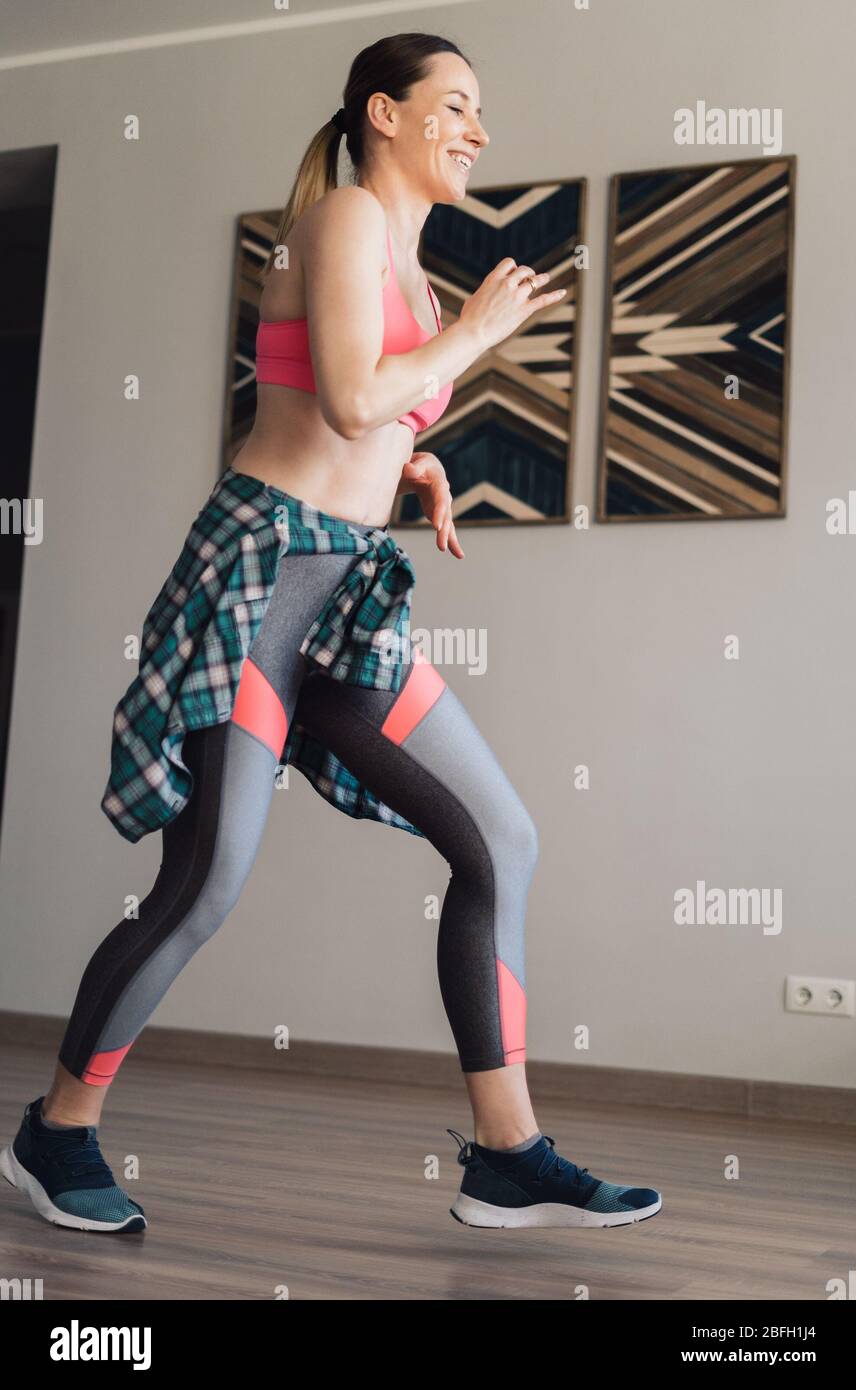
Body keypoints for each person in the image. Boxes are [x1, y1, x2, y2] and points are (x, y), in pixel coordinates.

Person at [1, 32, 661, 1234]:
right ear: (384, 113)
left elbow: (347, 408)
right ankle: (58, 1132)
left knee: (499, 839)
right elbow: (357, 391)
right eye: (454, 105)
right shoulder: (347, 215)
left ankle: (507, 1153)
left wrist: (410, 465)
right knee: (205, 880)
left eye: (479, 110)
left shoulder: (395, 257)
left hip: (342, 586)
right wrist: (476, 334)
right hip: (258, 579)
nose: (476, 128)